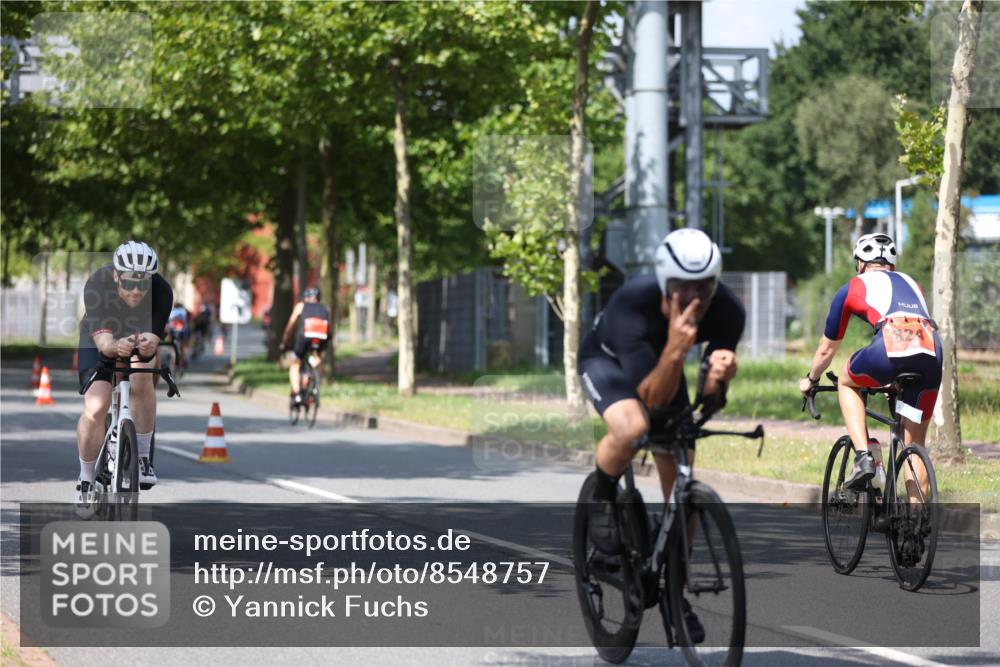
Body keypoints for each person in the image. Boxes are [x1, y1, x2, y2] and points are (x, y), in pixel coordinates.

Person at [578, 228, 744, 637]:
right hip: (610, 362)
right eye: (683, 289)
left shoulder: (728, 311)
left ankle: (675, 592)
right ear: (664, 283)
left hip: (662, 367)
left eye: (704, 288)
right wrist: (673, 348)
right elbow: (649, 402)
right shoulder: (631, 305)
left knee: (684, 466)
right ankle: (602, 496)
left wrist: (718, 382)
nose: (695, 300)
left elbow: (707, 404)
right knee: (634, 426)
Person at [799, 233, 942, 497]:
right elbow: (913, 328)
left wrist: (811, 379)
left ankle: (865, 456)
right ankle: (917, 528)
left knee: (846, 380)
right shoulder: (913, 284)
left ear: (861, 264)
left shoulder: (854, 286)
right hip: (931, 349)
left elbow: (826, 348)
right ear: (892, 265)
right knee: (915, 445)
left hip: (890, 344)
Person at [76, 241, 173, 510]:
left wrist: (148, 343)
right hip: (100, 335)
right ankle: (85, 479)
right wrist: (114, 346)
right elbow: (105, 344)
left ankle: (142, 457)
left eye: (142, 285)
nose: (135, 291)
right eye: (129, 283)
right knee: (96, 407)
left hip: (137, 330)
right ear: (116, 275)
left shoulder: (162, 291)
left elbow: (153, 338)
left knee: (142, 375)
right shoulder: (98, 284)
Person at [280, 287, 331, 404]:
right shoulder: (326, 308)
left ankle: (297, 393)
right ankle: (313, 382)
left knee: (295, 363)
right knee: (316, 358)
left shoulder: (301, 306)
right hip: (320, 338)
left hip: (304, 337)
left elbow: (291, 325)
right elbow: (329, 327)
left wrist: (284, 341)